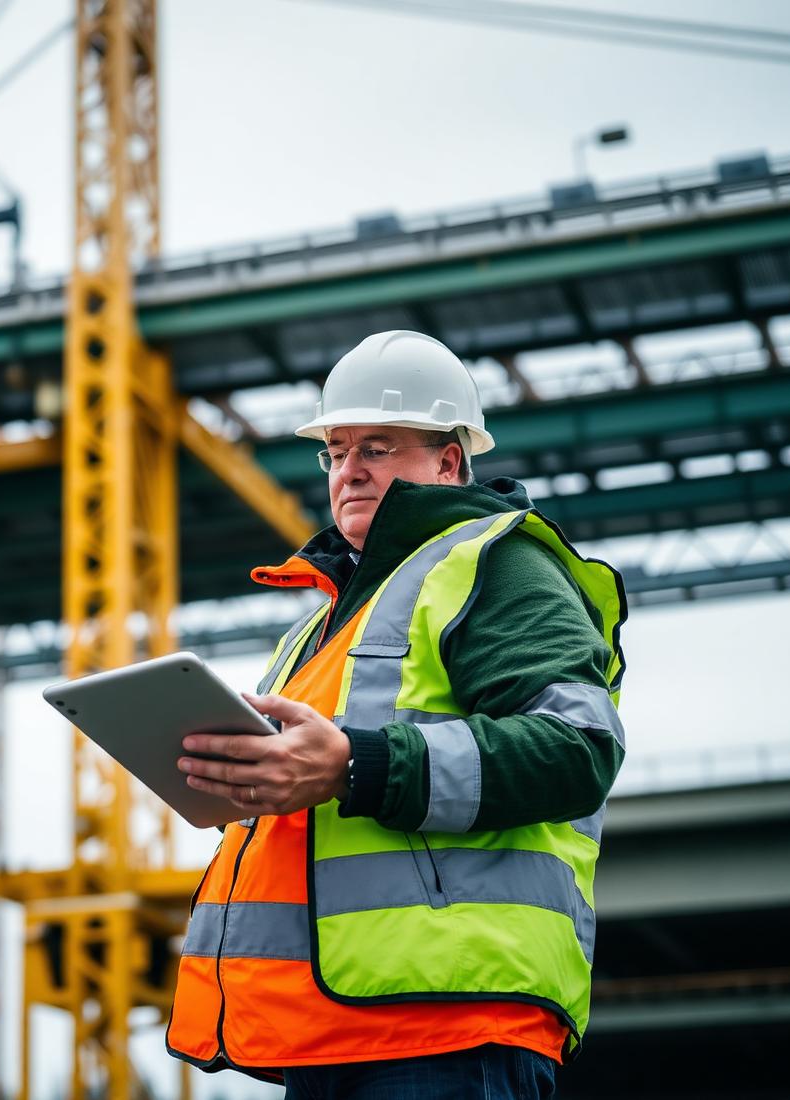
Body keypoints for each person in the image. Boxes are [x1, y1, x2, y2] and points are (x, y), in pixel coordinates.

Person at [165, 330, 627, 1099]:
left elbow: (576, 748)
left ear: (449, 462)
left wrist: (355, 764)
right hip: (332, 1030)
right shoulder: (320, 627)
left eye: (378, 447)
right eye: (337, 450)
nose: (349, 471)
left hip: (449, 1025)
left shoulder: (496, 564)